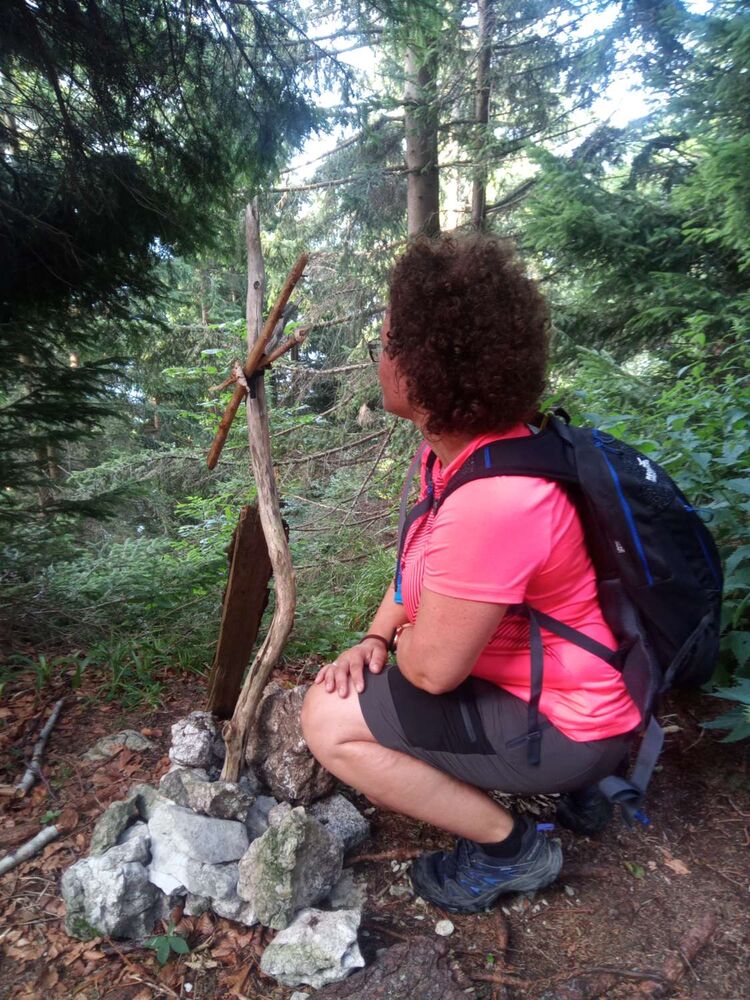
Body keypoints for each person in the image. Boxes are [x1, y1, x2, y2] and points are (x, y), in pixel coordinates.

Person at [300, 234, 641, 914]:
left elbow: (431, 673)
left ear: (423, 367)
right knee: (373, 681)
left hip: (574, 723)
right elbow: (420, 566)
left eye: (385, 343)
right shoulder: (477, 454)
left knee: (327, 720)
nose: (379, 358)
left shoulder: (493, 502)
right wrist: (375, 637)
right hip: (567, 685)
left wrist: (401, 646)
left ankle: (512, 849)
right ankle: (574, 792)